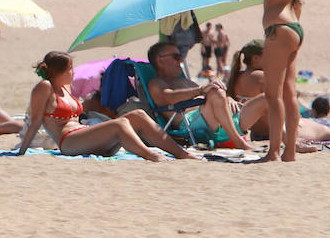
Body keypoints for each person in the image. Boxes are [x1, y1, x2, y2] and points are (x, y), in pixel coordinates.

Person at [14, 51, 200, 160]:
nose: (73, 72)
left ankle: (181, 154)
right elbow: (36, 120)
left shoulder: (66, 88)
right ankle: (153, 157)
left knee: (138, 115)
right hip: (69, 142)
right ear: (59, 71)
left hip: (86, 136)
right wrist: (21, 152)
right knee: (119, 124)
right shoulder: (44, 87)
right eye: (70, 68)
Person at [250, 0, 303, 161]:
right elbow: (298, 1)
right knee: (288, 93)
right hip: (290, 28)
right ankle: (289, 152)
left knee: (273, 95)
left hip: (280, 30)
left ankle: (273, 151)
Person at [147, 40, 257, 150]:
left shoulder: (184, 81)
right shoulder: (156, 83)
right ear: (160, 60)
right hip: (189, 121)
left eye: (181, 56)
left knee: (263, 100)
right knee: (215, 92)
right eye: (176, 57)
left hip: (215, 117)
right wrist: (201, 90)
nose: (181, 60)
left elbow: (210, 95)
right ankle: (238, 141)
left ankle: (266, 139)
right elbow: (169, 97)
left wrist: (228, 99)